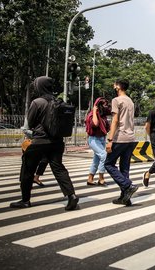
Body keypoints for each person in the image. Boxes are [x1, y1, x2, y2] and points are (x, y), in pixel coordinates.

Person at [11, 76, 79, 210]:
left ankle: (25, 200)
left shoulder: (37, 102)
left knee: (27, 170)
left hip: (39, 142)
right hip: (57, 142)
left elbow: (29, 124)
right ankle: (71, 196)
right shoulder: (59, 101)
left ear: (39, 87)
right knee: (59, 169)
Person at [105, 79, 138, 206]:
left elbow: (115, 121)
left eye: (114, 84)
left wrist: (110, 140)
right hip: (131, 138)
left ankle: (127, 185)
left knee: (108, 164)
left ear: (118, 87)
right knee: (125, 168)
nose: (113, 86)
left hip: (120, 137)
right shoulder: (130, 101)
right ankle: (125, 198)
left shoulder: (116, 100)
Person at [85, 97, 111, 186]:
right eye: (104, 105)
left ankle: (90, 179)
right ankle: (101, 178)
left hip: (102, 139)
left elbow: (107, 127)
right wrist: (95, 111)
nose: (106, 106)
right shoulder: (92, 114)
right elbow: (95, 124)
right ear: (98, 106)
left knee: (96, 160)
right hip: (94, 139)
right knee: (104, 156)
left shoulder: (103, 116)